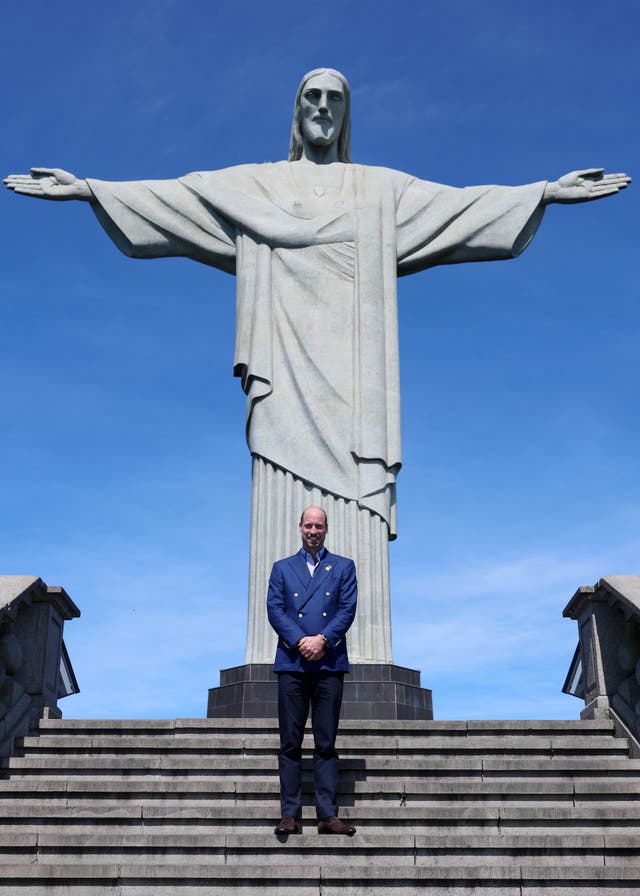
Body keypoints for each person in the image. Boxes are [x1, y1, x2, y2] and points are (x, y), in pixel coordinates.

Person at [3, 69, 631, 669]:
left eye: (335, 98)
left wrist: (543, 192)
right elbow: (180, 197)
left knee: (357, 507)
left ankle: (359, 653)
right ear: (297, 113)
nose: (324, 108)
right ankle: (275, 651)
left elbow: (459, 209)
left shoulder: (380, 191)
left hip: (358, 380)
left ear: (346, 113)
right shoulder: (257, 187)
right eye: (312, 98)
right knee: (278, 497)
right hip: (284, 369)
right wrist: (90, 189)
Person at [266, 505, 357, 835]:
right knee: (290, 742)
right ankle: (289, 813)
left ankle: (326, 815)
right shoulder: (282, 568)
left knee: (325, 742)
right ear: (300, 528)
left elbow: (347, 609)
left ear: (326, 529)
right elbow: (275, 610)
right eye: (308, 526)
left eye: (319, 526)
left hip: (329, 661)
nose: (313, 531)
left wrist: (323, 639)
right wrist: (301, 640)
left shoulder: (343, 567)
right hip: (292, 662)